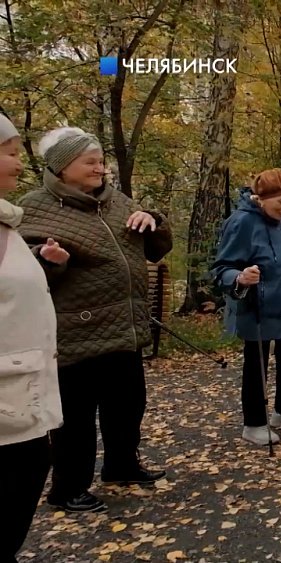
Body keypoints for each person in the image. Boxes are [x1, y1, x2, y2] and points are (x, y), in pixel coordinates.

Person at [17, 127, 172, 513]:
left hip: (125, 325)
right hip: (74, 330)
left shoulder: (116, 202)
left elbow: (156, 249)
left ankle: (121, 465)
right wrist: (46, 258)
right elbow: (20, 267)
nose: (100, 168)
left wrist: (151, 219)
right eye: (90, 162)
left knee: (128, 403)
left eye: (101, 161)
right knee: (76, 417)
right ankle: (67, 487)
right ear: (62, 166)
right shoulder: (34, 206)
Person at [212, 169, 281, 446]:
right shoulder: (241, 223)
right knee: (256, 365)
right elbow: (221, 268)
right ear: (261, 199)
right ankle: (254, 423)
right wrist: (239, 277)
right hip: (256, 306)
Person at [0, 115, 63, 561]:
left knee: (28, 470)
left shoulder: (7, 223)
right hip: (6, 390)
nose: (18, 163)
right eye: (8, 152)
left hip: (21, 389)